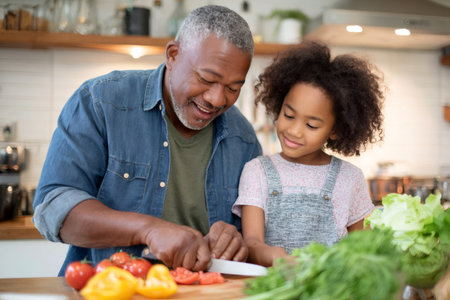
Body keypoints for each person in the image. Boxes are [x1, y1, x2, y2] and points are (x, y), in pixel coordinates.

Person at [32, 5, 262, 275]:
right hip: (108, 289)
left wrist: (236, 239)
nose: (217, 99)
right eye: (206, 79)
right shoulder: (100, 102)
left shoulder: (243, 139)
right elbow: (52, 208)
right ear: (173, 55)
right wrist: (148, 229)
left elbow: (252, 236)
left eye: (233, 88)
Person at [232, 40, 385, 267]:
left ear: (335, 130)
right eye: (289, 115)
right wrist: (280, 259)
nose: (294, 131)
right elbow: (253, 243)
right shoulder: (257, 171)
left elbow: (363, 250)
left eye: (311, 125)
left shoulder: (349, 178)